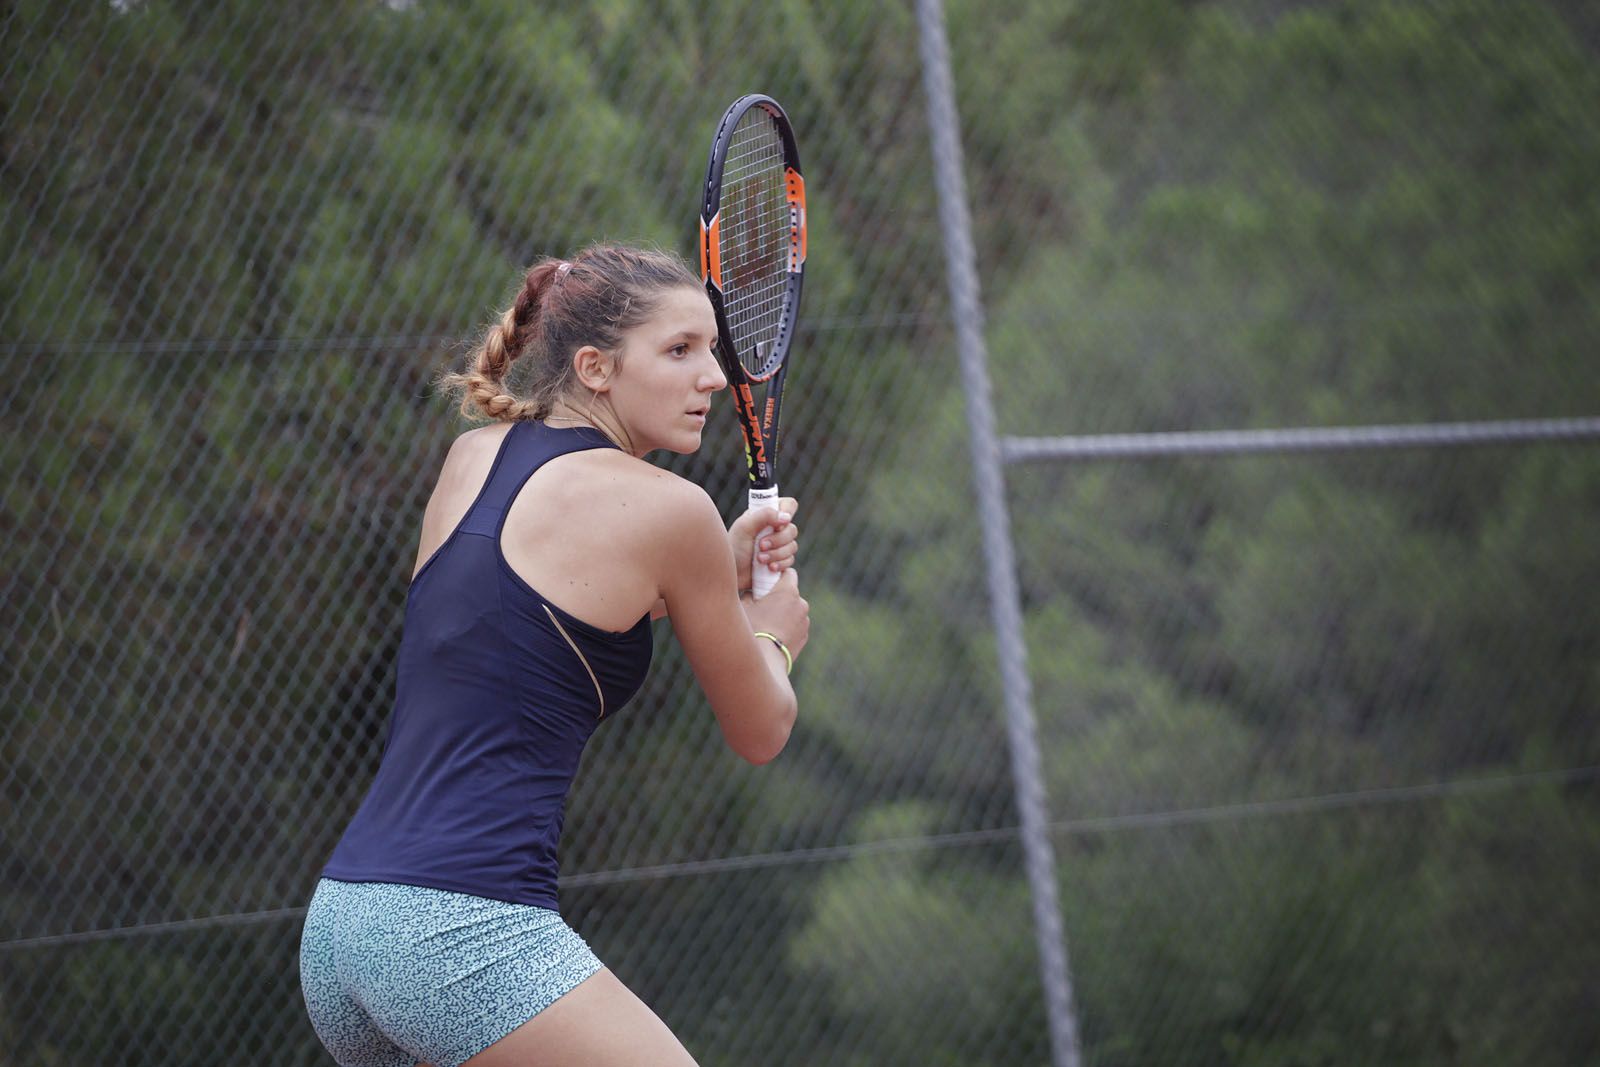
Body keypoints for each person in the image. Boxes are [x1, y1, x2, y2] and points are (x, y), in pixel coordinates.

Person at [298, 244, 810, 1067]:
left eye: (710, 349)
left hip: (344, 928)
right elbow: (762, 727)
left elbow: (528, 615)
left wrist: (718, 568)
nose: (715, 377)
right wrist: (773, 628)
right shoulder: (672, 513)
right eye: (680, 351)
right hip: (460, 929)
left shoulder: (473, 457)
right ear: (595, 368)